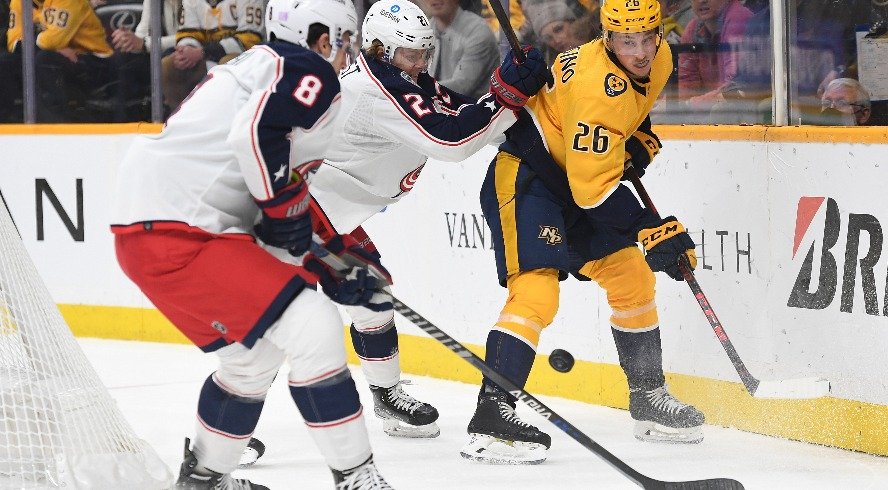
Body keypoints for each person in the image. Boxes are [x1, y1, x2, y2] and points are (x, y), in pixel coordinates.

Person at [110, 0, 396, 488]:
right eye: (345, 45)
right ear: (324, 39)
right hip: (183, 225)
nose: (347, 58)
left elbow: (275, 189)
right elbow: (257, 138)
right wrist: (294, 221)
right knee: (311, 326)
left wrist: (334, 253)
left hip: (155, 229)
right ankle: (357, 478)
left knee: (251, 359)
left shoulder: (260, 69)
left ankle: (205, 479)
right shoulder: (305, 67)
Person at [287, 0, 549, 441]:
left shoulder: (404, 78)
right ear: (379, 48)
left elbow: (459, 114)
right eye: (411, 54)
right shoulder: (375, 90)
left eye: (426, 53)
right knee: (280, 322)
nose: (421, 63)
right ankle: (226, 442)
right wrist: (506, 99)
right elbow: (449, 141)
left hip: (329, 212)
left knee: (372, 297)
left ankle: (388, 401)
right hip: (299, 213)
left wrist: (514, 107)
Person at [462, 0, 705, 465]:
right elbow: (593, 189)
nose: (639, 52)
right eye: (626, 42)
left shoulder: (662, 60)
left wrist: (639, 143)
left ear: (660, 33)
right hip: (529, 179)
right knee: (536, 295)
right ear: (607, 38)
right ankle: (491, 417)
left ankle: (648, 399)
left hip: (574, 182)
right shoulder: (598, 86)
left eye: (646, 39)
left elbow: (627, 123)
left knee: (632, 277)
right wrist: (649, 229)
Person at [0, 0, 115, 122]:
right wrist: (51, 47)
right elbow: (13, 43)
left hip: (92, 60)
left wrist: (49, 46)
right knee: (4, 62)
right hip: (49, 56)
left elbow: (53, 40)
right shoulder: (20, 2)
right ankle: (5, 125)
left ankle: (54, 125)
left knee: (45, 60)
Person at [161, 0, 263, 111]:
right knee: (169, 64)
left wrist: (202, 52)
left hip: (245, 58)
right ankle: (178, 119)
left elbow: (250, 40)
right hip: (204, 56)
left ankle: (230, 120)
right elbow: (188, 33)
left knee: (228, 63)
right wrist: (186, 51)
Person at [677, 0, 752, 119]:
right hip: (708, 111)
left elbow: (732, 90)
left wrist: (687, 105)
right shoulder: (693, 28)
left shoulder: (738, 19)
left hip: (742, 113)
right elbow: (686, 82)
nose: (702, 1)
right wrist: (680, 107)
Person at [110, 0, 179, 121]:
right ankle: (124, 122)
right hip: (161, 50)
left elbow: (191, 36)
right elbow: (142, 33)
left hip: (192, 51)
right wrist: (128, 39)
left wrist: (144, 44)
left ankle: (169, 121)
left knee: (168, 59)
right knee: (123, 58)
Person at [423, 0, 499, 97]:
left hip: (474, 108)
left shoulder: (478, 31)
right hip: (435, 105)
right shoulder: (425, 29)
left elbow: (462, 86)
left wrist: (415, 89)